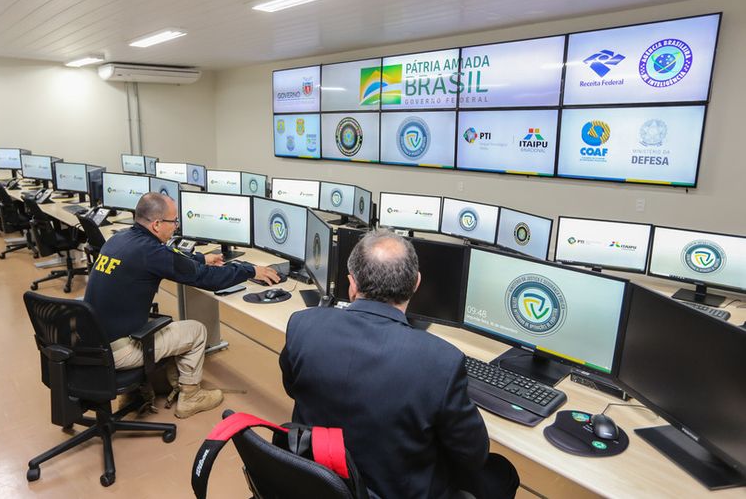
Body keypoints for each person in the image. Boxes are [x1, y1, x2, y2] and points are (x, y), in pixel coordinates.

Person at [279, 230, 519, 499]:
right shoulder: (441, 360)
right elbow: (473, 455)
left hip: (320, 479)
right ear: (416, 283)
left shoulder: (303, 325)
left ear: (352, 284)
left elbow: (292, 387)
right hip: (395, 489)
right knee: (502, 473)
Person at [85, 192, 279, 418]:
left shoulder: (120, 239)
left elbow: (171, 257)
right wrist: (250, 270)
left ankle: (135, 393)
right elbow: (207, 279)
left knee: (160, 324)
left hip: (91, 340)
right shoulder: (150, 252)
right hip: (117, 352)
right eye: (174, 221)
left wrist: (201, 258)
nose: (176, 226)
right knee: (196, 330)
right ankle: (191, 397)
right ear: (157, 224)